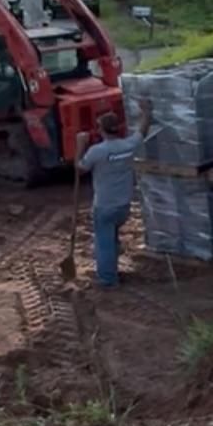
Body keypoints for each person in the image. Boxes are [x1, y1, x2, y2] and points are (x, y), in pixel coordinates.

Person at [76, 101, 152, 287]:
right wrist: (147, 114)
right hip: (123, 206)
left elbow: (79, 169)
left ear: (100, 129)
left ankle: (108, 279)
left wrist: (80, 145)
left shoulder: (97, 152)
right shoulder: (129, 146)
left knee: (104, 243)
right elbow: (142, 132)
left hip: (104, 206)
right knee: (112, 238)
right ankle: (113, 270)